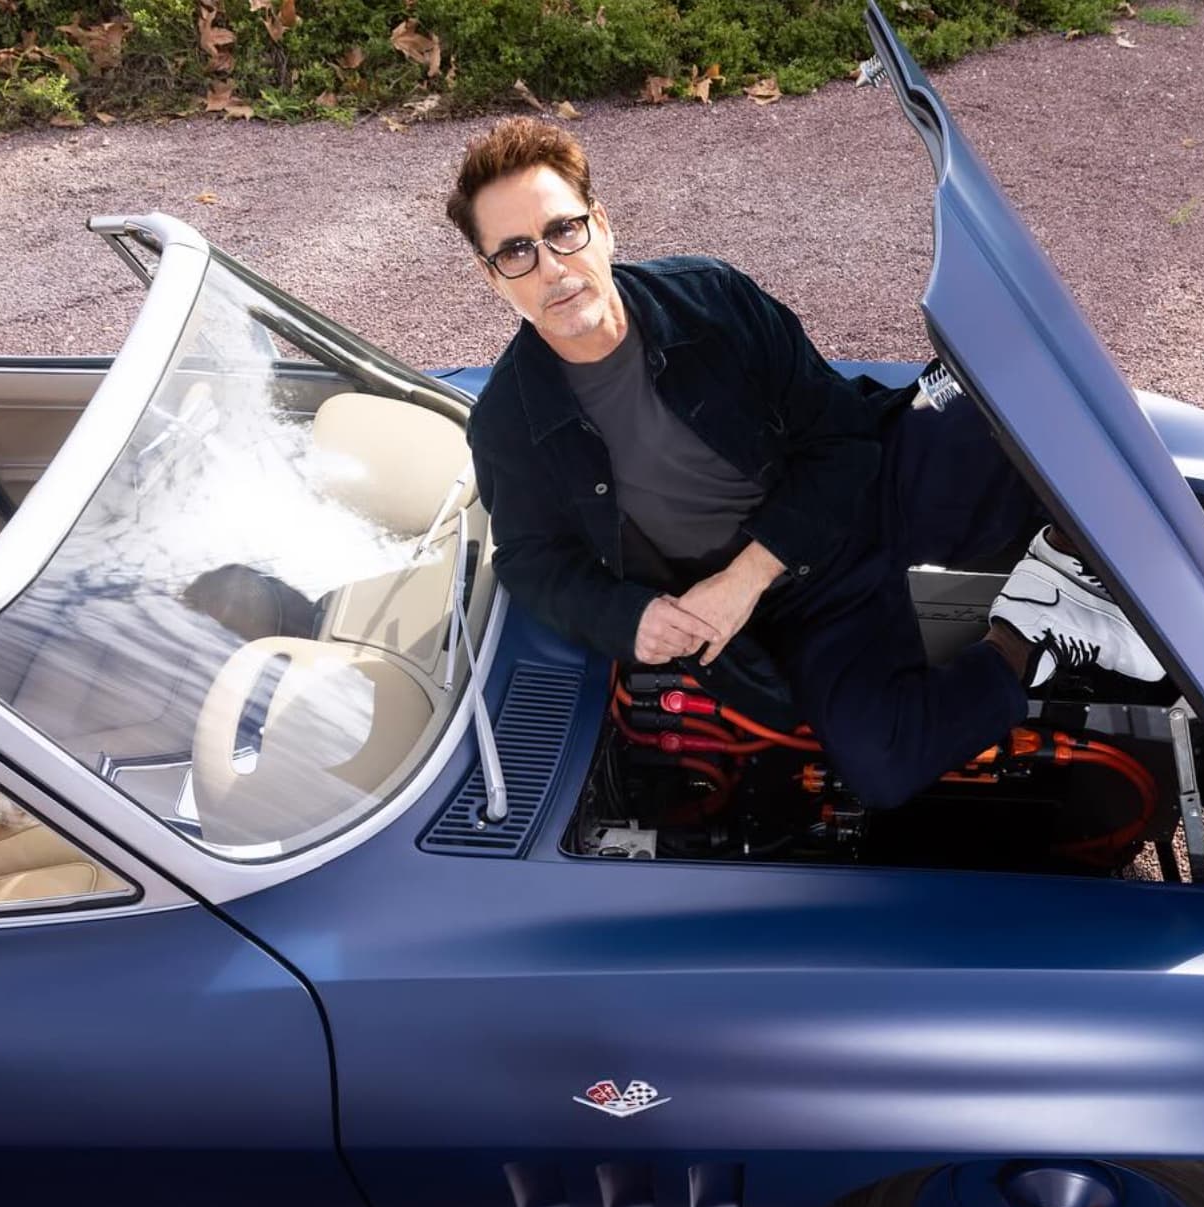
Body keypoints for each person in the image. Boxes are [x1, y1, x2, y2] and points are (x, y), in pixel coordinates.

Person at [450, 118, 1163, 810]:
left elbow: (839, 437)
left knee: (1026, 393)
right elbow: (530, 557)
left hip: (859, 491)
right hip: (795, 605)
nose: (551, 267)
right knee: (883, 765)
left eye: (562, 231)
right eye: (516, 252)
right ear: (492, 279)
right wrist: (629, 616)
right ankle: (1033, 625)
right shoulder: (508, 422)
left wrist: (745, 574)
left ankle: (1087, 553)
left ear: (600, 226)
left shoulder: (710, 298)